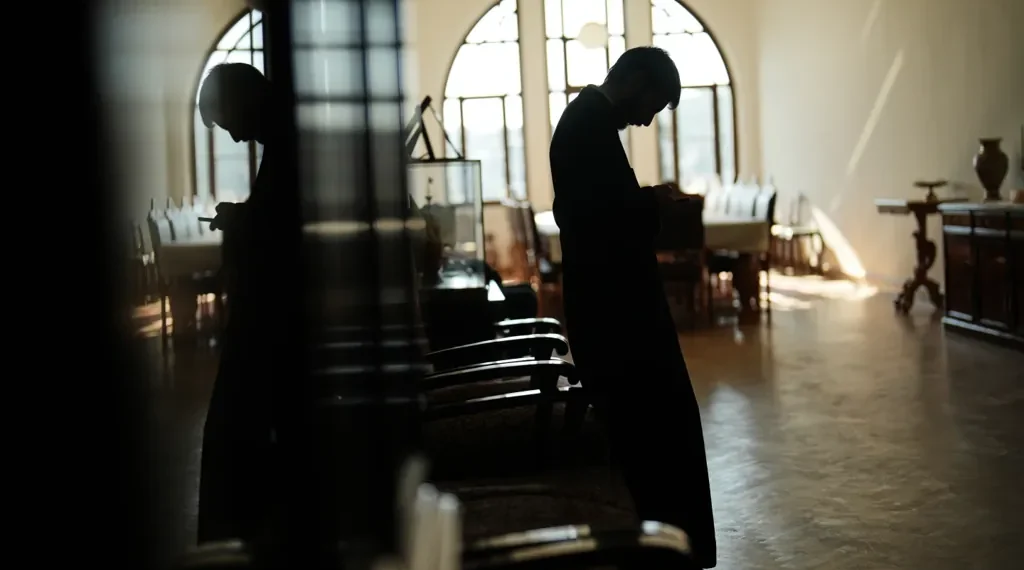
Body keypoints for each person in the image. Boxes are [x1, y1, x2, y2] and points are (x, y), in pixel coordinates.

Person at [549, 47, 716, 568]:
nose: (647, 118)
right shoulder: (590, 124)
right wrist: (654, 204)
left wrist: (642, 200)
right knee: (656, 431)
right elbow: (599, 220)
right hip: (619, 314)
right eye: (652, 103)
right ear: (635, 80)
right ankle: (664, 545)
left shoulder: (587, 121)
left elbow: (593, 207)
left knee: (652, 429)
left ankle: (660, 540)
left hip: (611, 305)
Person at [195, 62, 293, 544]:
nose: (234, 139)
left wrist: (242, 223)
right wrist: (245, 217)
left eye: (229, 124)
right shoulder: (288, 135)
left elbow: (286, 232)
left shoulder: (288, 140)